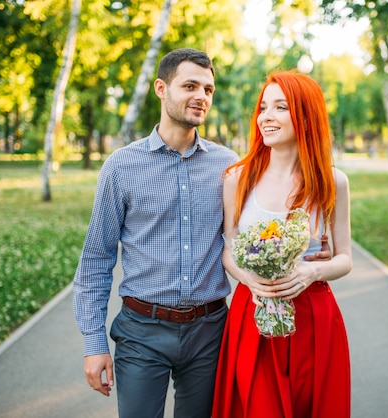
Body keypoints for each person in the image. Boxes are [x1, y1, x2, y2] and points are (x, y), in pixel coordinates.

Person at [72, 48, 240, 418]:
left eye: (209, 89)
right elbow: (97, 256)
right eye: (190, 85)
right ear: (161, 88)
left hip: (210, 333)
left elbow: (245, 240)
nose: (202, 96)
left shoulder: (228, 166)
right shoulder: (121, 166)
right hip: (140, 332)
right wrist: (94, 342)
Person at [212, 71, 353, 418]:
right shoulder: (237, 177)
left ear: (305, 116)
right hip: (253, 314)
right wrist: (248, 279)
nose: (266, 117)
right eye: (263, 107)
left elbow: (345, 257)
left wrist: (312, 270)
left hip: (314, 318)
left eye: (280, 107)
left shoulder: (332, 182)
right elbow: (228, 249)